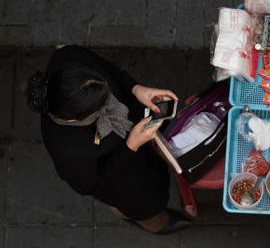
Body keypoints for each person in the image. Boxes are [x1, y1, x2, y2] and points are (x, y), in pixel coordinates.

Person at [26, 45, 191, 234]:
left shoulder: (68, 57)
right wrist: (131, 145)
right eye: (104, 104)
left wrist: (136, 89)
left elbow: (110, 69)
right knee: (148, 205)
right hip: (122, 175)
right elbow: (92, 184)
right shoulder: (68, 152)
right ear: (77, 118)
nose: (114, 103)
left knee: (159, 166)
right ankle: (151, 222)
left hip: (138, 137)